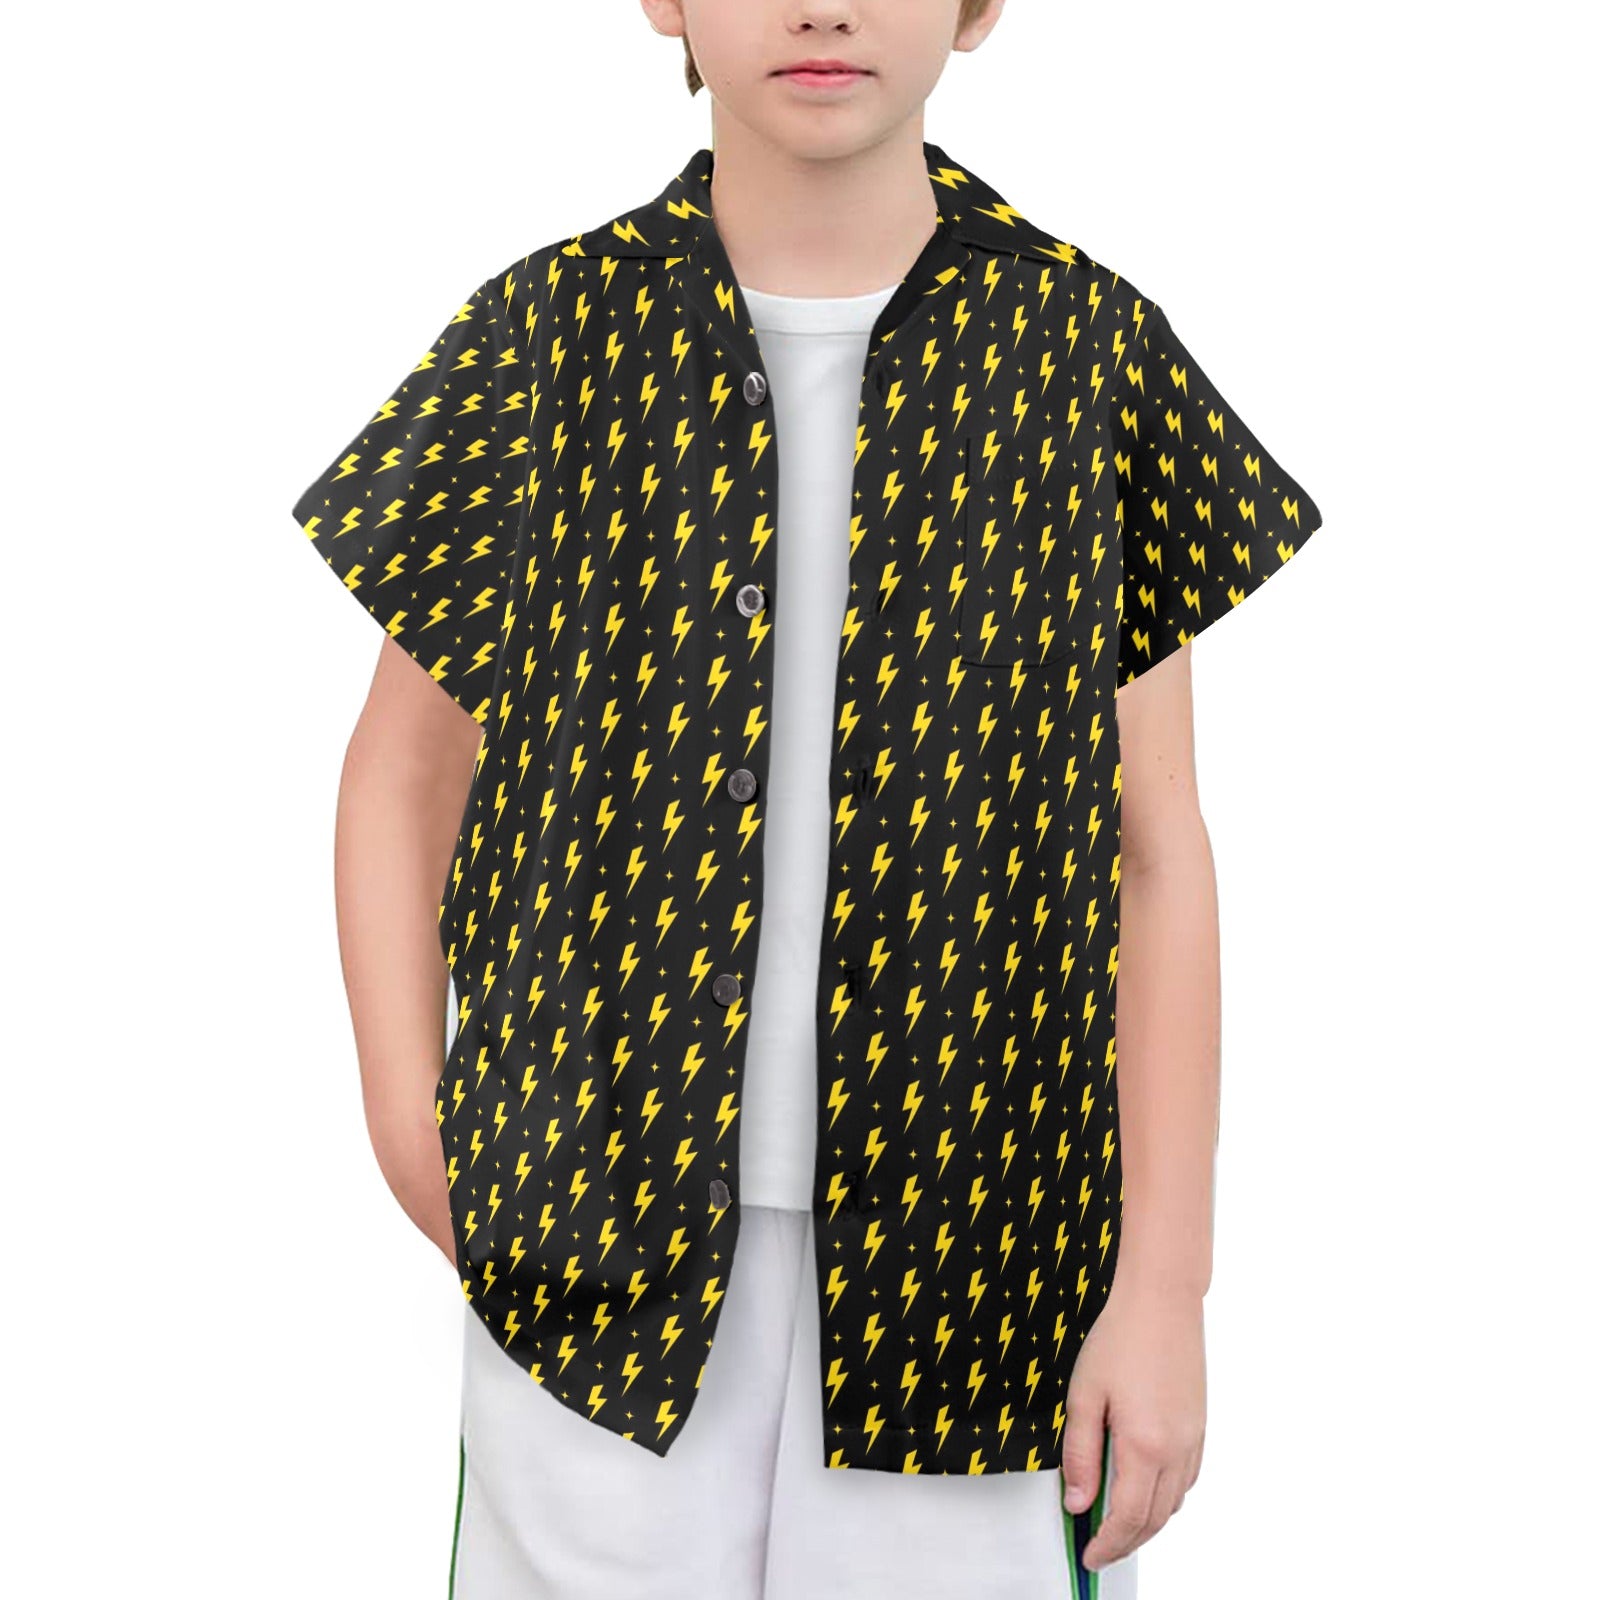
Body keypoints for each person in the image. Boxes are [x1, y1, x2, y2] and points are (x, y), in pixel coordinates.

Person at [288, 2, 1323, 1595]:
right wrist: (414, 1126)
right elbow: (404, 769)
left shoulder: (1083, 349)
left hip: (989, 1255)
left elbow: (1153, 850)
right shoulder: (547, 336)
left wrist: (1165, 1288)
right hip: (593, 1239)